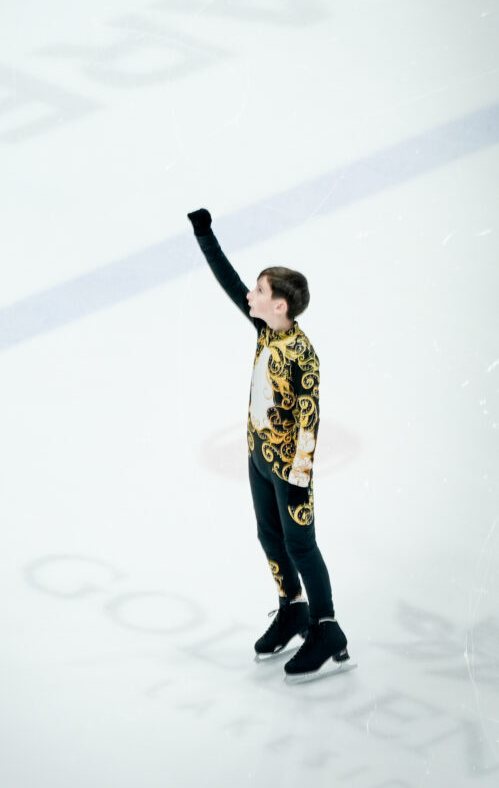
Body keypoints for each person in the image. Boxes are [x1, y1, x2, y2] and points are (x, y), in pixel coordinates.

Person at [187, 207, 352, 683]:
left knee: (301, 544)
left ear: (280, 305)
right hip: (259, 457)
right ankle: (293, 608)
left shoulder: (302, 355)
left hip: (290, 469)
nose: (251, 295)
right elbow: (229, 281)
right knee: (269, 536)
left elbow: (310, 421)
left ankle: (328, 628)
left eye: (260, 291)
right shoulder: (265, 330)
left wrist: (299, 475)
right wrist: (205, 234)